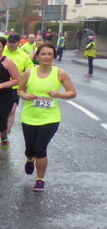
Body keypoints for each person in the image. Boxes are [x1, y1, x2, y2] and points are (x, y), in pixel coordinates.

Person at [17, 43, 76, 191]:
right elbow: (20, 90)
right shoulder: (29, 73)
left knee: (40, 148)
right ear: (37, 56)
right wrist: (26, 96)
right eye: (43, 54)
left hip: (50, 117)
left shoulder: (60, 73)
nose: (46, 57)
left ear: (53, 57)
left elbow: (72, 92)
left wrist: (59, 94)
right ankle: (29, 158)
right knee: (30, 149)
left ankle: (40, 179)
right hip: (30, 117)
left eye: (49, 54)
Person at [3, 33, 34, 135]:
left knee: (12, 109)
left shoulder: (23, 56)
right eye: (9, 42)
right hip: (0, 85)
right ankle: (1, 126)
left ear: (18, 43)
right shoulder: (1, 52)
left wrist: (23, 76)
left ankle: (7, 130)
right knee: (1, 111)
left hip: (15, 87)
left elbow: (30, 70)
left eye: (13, 42)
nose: (11, 44)